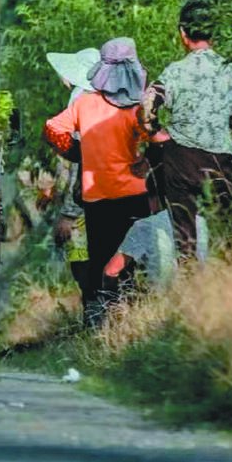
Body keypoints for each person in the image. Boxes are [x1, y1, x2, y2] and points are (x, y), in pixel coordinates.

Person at [44, 38, 151, 328]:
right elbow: (153, 140)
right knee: (131, 259)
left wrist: (76, 152)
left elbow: (53, 128)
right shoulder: (138, 107)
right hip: (135, 195)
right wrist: (145, 162)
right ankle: (130, 322)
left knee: (102, 258)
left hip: (97, 197)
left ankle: (103, 323)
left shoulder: (85, 103)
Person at [151, 2, 232, 258]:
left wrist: (155, 132)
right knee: (227, 227)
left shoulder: (174, 71)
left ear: (183, 34)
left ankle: (189, 286)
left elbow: (148, 104)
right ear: (213, 34)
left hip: (180, 160)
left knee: (184, 235)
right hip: (220, 159)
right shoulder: (230, 70)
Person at [45, 48, 101, 314]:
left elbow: (78, 162)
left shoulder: (79, 100)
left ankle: (93, 313)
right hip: (109, 191)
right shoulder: (110, 96)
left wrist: (68, 211)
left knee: (83, 258)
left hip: (85, 194)